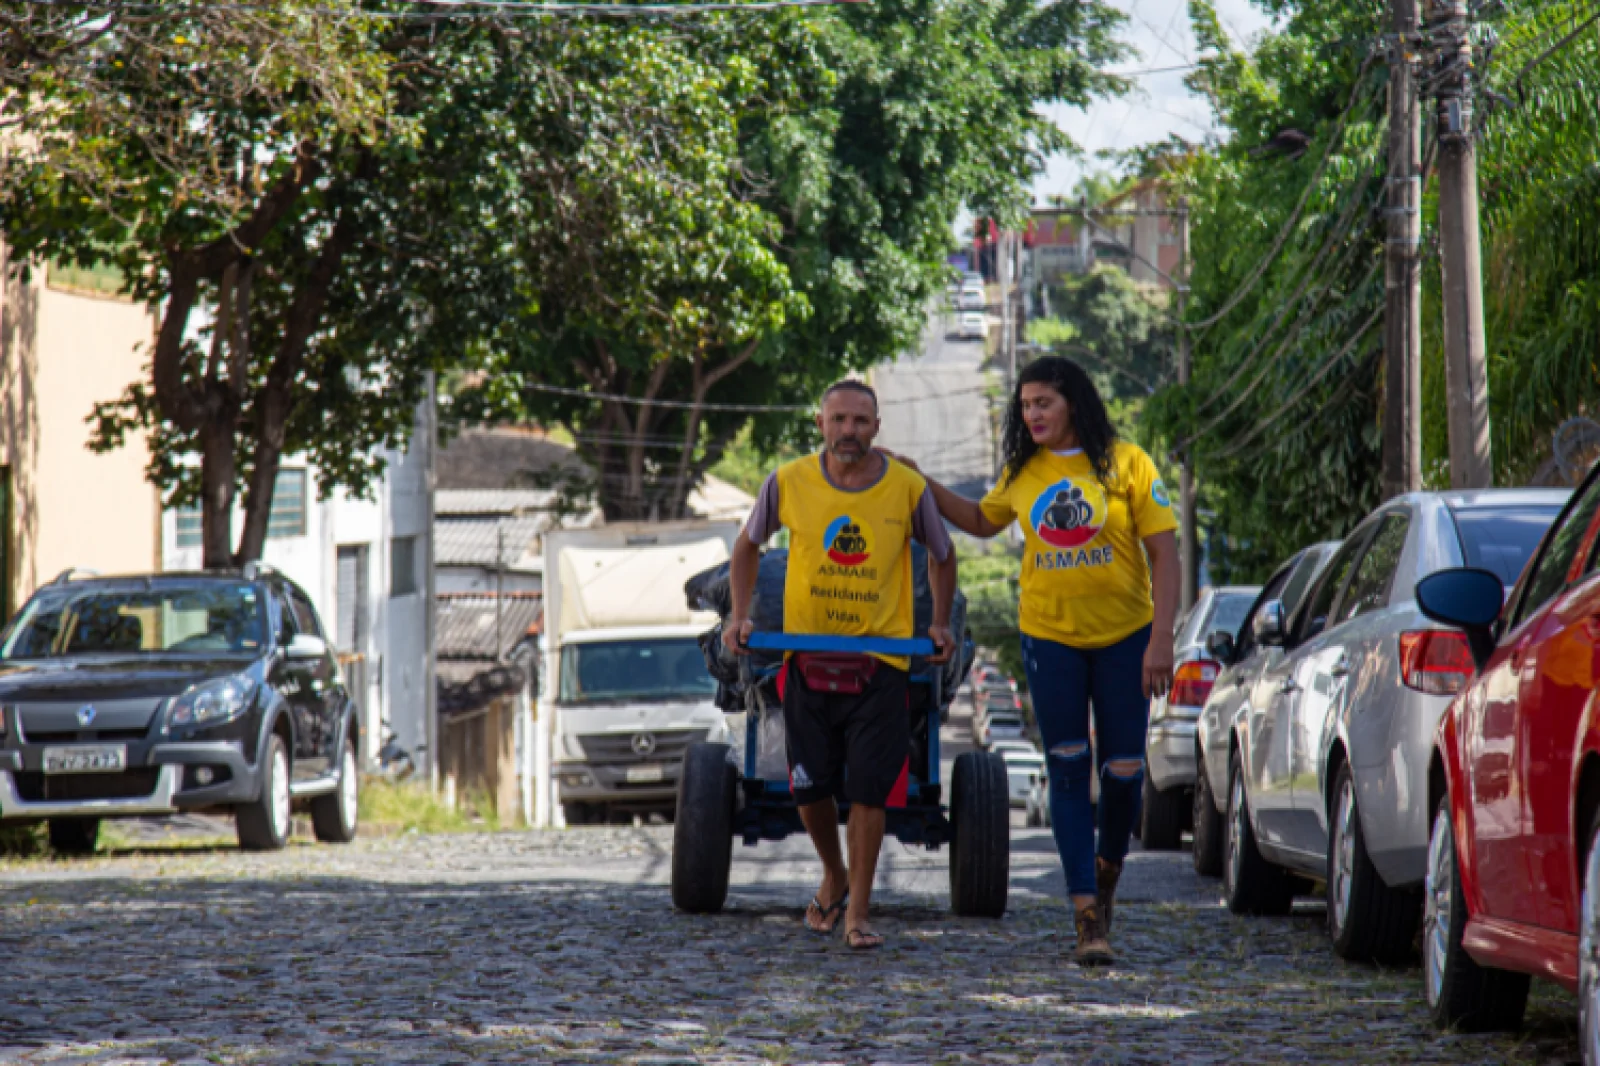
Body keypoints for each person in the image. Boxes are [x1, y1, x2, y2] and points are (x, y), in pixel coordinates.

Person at [901, 356, 1179, 966]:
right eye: (1025, 406)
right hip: (1048, 637)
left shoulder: (1128, 463)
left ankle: (1107, 866)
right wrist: (923, 485)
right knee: (1069, 766)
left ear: (1072, 403)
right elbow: (978, 518)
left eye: (1043, 404)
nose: (1032, 415)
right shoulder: (1024, 471)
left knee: (1126, 772)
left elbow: (1165, 551)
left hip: (1126, 638)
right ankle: (1085, 913)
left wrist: (1163, 639)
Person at [725, 379, 956, 950]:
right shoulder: (787, 482)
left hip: (881, 665)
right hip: (806, 661)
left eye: (860, 420)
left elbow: (943, 555)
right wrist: (739, 615)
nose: (848, 431)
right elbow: (747, 546)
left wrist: (940, 623)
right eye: (839, 420)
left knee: (871, 794)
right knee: (809, 789)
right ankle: (833, 870)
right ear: (820, 424)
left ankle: (857, 913)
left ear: (877, 427)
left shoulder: (906, 488)